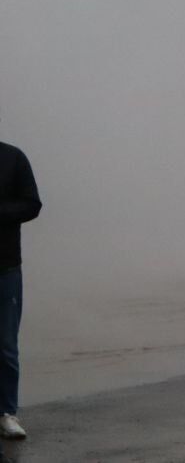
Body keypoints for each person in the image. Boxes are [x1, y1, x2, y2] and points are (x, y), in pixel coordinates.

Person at [0, 141, 40, 441]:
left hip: (6, 267)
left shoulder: (13, 158)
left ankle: (7, 413)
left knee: (5, 345)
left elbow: (32, 203)